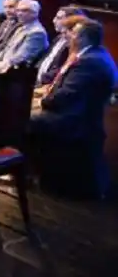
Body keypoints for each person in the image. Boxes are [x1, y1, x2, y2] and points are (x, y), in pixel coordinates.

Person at [29, 18, 118, 197]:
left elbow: (66, 95)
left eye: (73, 32)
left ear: (83, 38)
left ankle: (28, 171)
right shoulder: (95, 53)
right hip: (81, 113)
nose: (68, 35)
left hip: (74, 119)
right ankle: (35, 170)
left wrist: (43, 102)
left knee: (24, 118)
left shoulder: (88, 62)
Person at [0, 0, 48, 75]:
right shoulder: (21, 28)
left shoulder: (37, 33)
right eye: (18, 10)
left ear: (35, 13)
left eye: (24, 10)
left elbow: (21, 57)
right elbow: (7, 48)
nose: (19, 13)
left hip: (17, 74)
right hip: (4, 68)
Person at [36, 7, 86, 85]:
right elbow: (46, 59)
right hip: (38, 80)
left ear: (70, 21)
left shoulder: (74, 45)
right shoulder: (58, 38)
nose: (54, 21)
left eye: (59, 18)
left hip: (49, 84)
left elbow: (63, 69)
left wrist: (42, 79)